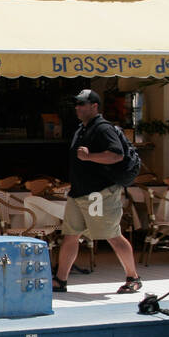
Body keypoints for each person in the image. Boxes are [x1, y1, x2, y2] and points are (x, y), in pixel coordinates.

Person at [55, 89, 142, 295]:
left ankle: (133, 277)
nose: (78, 108)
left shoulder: (103, 128)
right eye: (77, 104)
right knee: (70, 236)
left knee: (112, 235)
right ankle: (60, 280)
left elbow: (116, 155)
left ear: (95, 106)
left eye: (82, 104)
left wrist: (90, 156)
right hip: (78, 193)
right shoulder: (82, 128)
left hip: (98, 194)